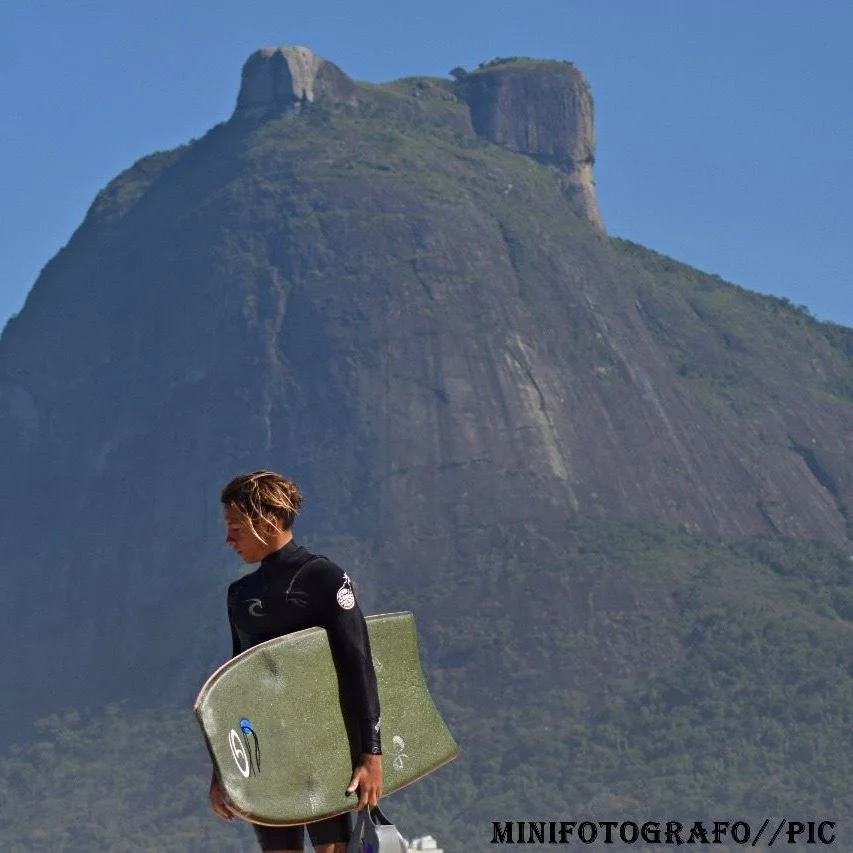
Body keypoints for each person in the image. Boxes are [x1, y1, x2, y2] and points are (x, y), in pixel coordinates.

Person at [209, 470, 383, 853]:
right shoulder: (240, 595)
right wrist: (224, 768)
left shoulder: (324, 578)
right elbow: (237, 686)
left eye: (235, 528)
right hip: (265, 753)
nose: (228, 539)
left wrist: (372, 754)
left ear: (267, 522)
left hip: (324, 748)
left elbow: (359, 666)